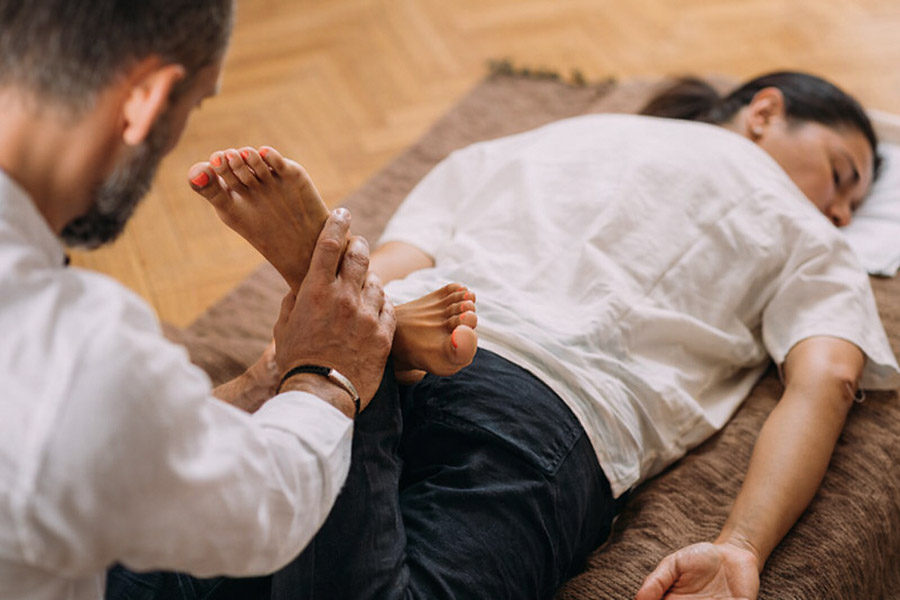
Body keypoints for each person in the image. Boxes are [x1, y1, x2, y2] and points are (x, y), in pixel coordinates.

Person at [188, 70, 900, 599]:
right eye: (842, 177)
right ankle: (353, 364)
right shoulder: (805, 229)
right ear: (764, 112)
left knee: (174, 568)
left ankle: (342, 351)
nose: (841, 213)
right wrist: (740, 545)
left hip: (422, 318)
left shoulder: (552, 137)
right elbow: (828, 380)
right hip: (549, 399)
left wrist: (300, 351)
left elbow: (404, 259)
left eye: (853, 205)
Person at [0, 2, 476, 599]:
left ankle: (308, 339)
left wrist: (266, 379)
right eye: (197, 105)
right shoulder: (82, 349)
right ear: (147, 99)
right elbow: (263, 511)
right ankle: (350, 324)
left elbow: (108, 451)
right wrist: (325, 374)